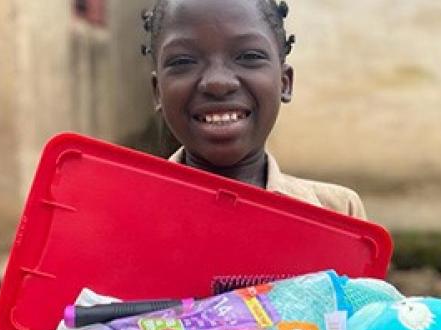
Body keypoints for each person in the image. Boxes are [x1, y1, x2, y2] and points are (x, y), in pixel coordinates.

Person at [142, 0, 367, 220]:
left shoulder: (338, 214)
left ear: (284, 83)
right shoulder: (125, 211)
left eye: (249, 56)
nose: (218, 83)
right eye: (183, 61)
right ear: (158, 92)